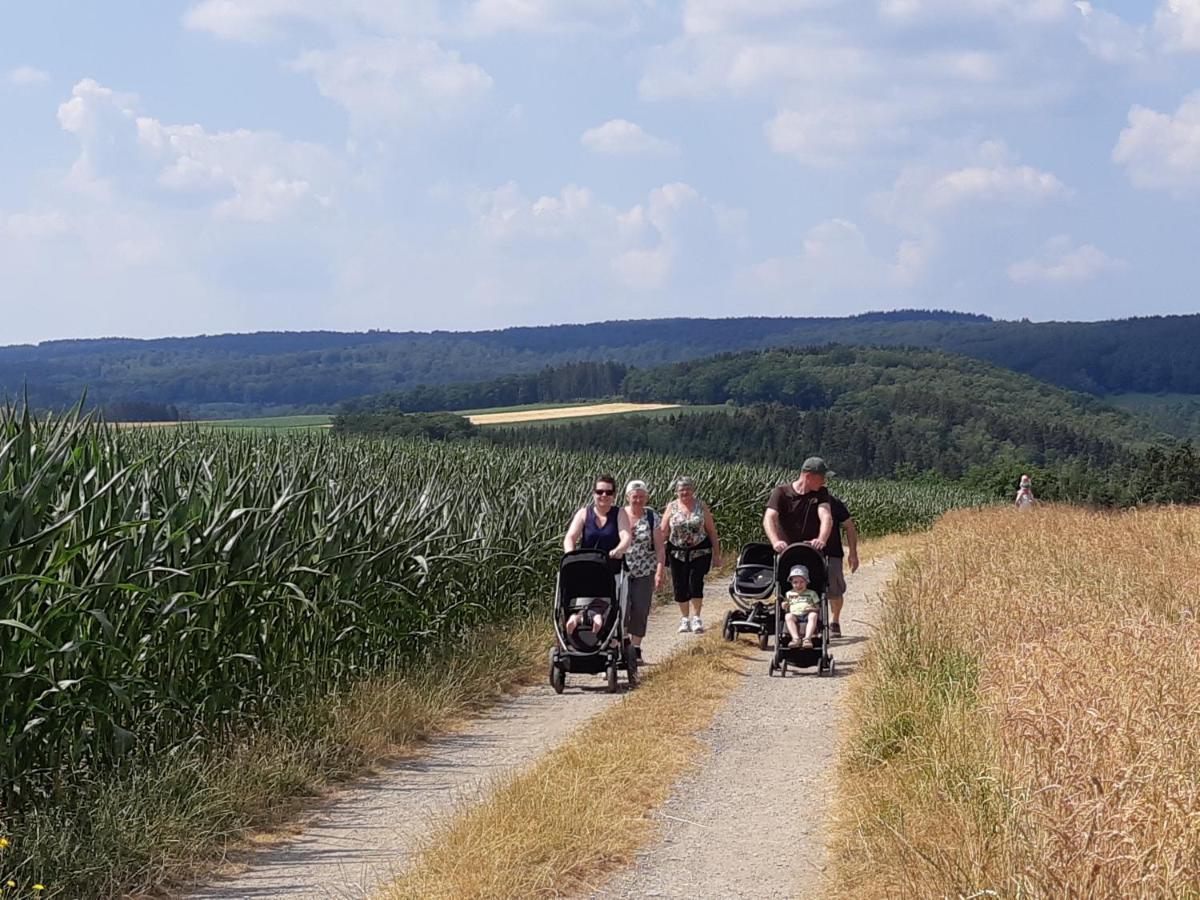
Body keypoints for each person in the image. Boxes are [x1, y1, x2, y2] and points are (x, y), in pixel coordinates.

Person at [658, 476, 721, 634]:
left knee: (695, 583)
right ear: (676, 491)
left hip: (699, 551)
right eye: (681, 490)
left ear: (693, 490)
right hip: (677, 552)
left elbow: (711, 531)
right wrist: (658, 552)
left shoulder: (701, 506)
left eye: (687, 489)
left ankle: (696, 617)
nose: (684, 492)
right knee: (680, 585)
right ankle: (684, 618)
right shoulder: (671, 507)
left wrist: (717, 554)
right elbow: (663, 530)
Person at [622, 479, 665, 662]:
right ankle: (623, 646)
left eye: (641, 497)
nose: (638, 500)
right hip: (621, 571)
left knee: (640, 608)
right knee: (621, 609)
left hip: (644, 570)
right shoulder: (619, 515)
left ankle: (636, 647)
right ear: (627, 497)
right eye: (634, 497)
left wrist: (659, 571)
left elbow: (659, 547)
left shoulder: (651, 516)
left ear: (646, 497)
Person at [763, 457, 835, 553]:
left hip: (811, 551)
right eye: (822, 477)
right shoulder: (781, 492)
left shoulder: (821, 492)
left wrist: (821, 539)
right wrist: (775, 542)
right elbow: (769, 517)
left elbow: (826, 516)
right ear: (808, 476)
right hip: (786, 551)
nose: (824, 481)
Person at [564, 473, 633, 563]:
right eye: (599, 492)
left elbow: (626, 537)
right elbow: (570, 537)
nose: (604, 495)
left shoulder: (620, 513)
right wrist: (571, 555)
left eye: (609, 492)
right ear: (593, 494)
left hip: (611, 570)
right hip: (586, 567)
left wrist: (618, 550)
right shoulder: (583, 513)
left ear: (614, 496)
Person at [824, 493, 859, 638]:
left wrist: (853, 553)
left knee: (835, 591)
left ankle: (835, 621)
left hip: (832, 553)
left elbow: (849, 527)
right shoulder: (799, 498)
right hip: (806, 551)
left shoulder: (833, 502)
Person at [782, 565, 821, 649]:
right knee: (788, 616)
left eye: (801, 582)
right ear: (791, 583)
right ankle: (795, 639)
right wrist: (784, 605)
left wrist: (812, 609)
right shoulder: (789, 594)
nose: (798, 585)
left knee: (813, 615)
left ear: (806, 582)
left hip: (807, 615)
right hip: (795, 615)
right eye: (795, 582)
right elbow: (785, 604)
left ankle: (807, 639)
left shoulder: (812, 593)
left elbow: (818, 608)